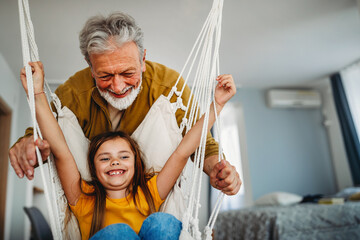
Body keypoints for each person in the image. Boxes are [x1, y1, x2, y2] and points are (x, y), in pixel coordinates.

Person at [9, 12, 241, 195]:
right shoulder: (73, 92)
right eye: (105, 76)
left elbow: (200, 145)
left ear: (143, 60)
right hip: (93, 205)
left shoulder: (170, 87)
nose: (118, 87)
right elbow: (44, 136)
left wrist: (218, 168)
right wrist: (28, 143)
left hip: (153, 201)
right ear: (90, 66)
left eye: (128, 72)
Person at [20, 61, 236, 239]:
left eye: (123, 156)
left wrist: (216, 106)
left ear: (136, 164)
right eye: (105, 158)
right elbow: (61, 149)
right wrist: (36, 93)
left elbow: (183, 151)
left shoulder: (149, 193)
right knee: (117, 233)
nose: (115, 162)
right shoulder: (83, 199)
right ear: (93, 168)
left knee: (162, 223)